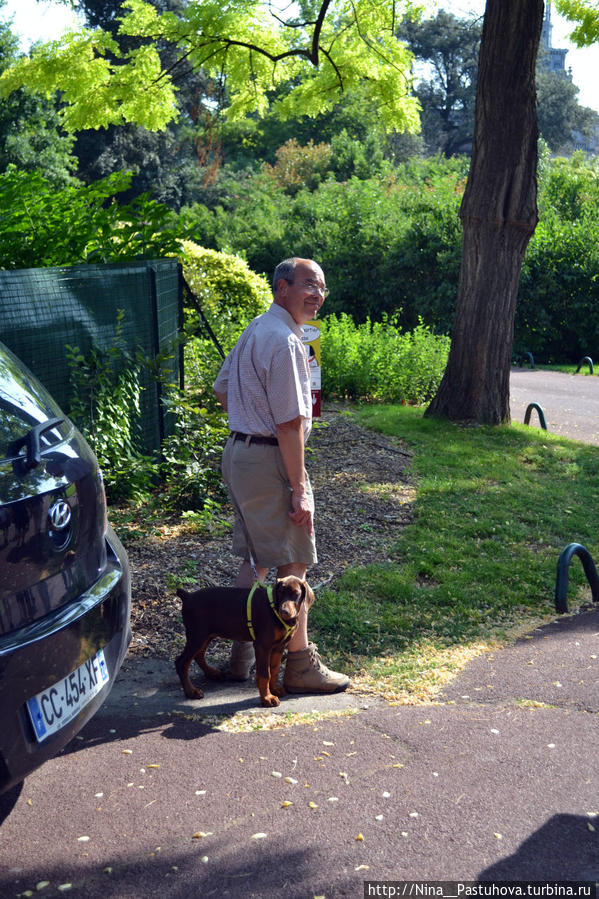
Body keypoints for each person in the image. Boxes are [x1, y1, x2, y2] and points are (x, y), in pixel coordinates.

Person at [213, 257, 349, 694]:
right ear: (281, 288)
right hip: (270, 457)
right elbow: (290, 425)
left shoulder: (257, 329)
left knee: (255, 560)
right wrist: (298, 488)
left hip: (240, 453)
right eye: (308, 284)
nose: (317, 294)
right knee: (294, 561)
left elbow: (222, 390)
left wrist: (248, 423)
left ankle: (242, 657)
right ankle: (300, 665)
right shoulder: (288, 343)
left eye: (322, 287)